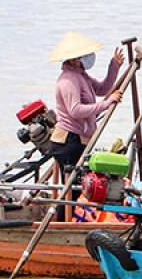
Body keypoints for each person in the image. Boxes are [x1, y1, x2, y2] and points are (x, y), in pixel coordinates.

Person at [47, 32, 122, 175]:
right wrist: (107, 103)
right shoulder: (68, 79)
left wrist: (114, 66)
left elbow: (102, 89)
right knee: (74, 187)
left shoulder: (81, 75)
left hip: (80, 139)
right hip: (68, 141)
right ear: (74, 59)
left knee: (80, 184)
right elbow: (75, 110)